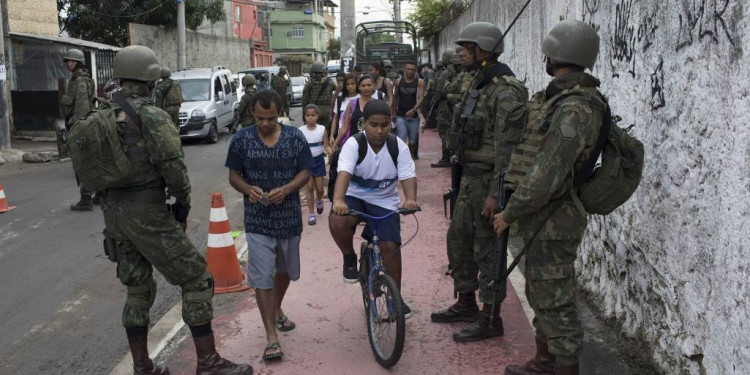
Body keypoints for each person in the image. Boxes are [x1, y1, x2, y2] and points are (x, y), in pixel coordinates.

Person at [97, 45, 252, 375]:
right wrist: (182, 207)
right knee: (197, 279)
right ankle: (208, 363)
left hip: (114, 215)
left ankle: (143, 368)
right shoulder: (152, 117)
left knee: (137, 288)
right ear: (151, 80)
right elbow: (175, 171)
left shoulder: (101, 117)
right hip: (149, 213)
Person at [494, 20, 604, 375]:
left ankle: (565, 368)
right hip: (545, 214)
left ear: (557, 57)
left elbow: (547, 174)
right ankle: (544, 363)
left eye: (548, 54)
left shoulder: (574, 108)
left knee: (556, 300)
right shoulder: (561, 99)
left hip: (554, 215)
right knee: (542, 292)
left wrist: (509, 213)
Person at [430, 22, 529, 343]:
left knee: (489, 250)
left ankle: (490, 318)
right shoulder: (477, 83)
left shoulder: (505, 90)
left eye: (466, 47)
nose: (460, 53)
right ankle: (466, 303)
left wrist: (497, 194)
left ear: (483, 50)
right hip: (469, 178)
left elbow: (509, 147)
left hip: (489, 182)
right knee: (458, 242)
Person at [225, 89, 313, 361]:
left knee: (285, 270)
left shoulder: (295, 138)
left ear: (280, 113)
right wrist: (248, 188)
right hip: (257, 220)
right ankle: (271, 336)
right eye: (260, 118)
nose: (265, 123)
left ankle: (276, 308)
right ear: (253, 114)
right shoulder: (241, 140)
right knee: (262, 276)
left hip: (288, 218)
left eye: (271, 118)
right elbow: (233, 176)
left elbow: (306, 171)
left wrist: (287, 189)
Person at [328, 99, 418, 317]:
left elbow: (407, 176)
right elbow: (344, 174)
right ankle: (349, 257)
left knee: (391, 247)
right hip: (355, 196)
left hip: (384, 200)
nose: (379, 130)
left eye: (385, 125)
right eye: (373, 125)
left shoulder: (398, 146)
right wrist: (338, 201)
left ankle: (394, 298)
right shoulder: (354, 144)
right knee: (338, 220)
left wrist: (411, 200)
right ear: (363, 124)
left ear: (391, 124)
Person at [62, 48, 97, 211]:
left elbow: (82, 109)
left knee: (81, 162)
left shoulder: (80, 81)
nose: (69, 63)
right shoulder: (76, 79)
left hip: (80, 126)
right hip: (83, 125)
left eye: (73, 61)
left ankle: (86, 199)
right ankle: (99, 195)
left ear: (80, 62)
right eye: (68, 61)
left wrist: (78, 130)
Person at [299, 104, 330, 225]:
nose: (310, 118)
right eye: (308, 115)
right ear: (304, 117)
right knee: (309, 188)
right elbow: (298, 147)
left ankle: (319, 200)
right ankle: (311, 214)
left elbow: (326, 145)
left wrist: (330, 151)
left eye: (313, 115)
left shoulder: (322, 129)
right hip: (306, 163)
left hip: (319, 161)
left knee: (320, 189)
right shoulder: (301, 130)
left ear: (317, 116)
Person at [334, 75, 383, 148]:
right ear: (359, 87)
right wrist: (335, 144)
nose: (366, 88)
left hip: (372, 145)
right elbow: (344, 127)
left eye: (369, 85)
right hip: (354, 145)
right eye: (363, 85)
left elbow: (382, 126)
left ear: (374, 86)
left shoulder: (378, 104)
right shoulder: (352, 104)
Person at [430, 50, 460, 168]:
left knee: (444, 132)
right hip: (454, 105)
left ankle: (446, 157)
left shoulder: (445, 73)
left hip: (444, 105)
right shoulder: (459, 72)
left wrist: (435, 103)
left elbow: (440, 91)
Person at [391, 61, 425, 160]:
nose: (410, 71)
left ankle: (410, 158)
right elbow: (395, 97)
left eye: (413, 70)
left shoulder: (420, 82)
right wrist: (393, 113)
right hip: (400, 115)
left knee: (413, 141)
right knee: (401, 139)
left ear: (415, 71)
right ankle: (402, 159)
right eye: (408, 69)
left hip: (413, 117)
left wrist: (414, 110)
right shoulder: (398, 81)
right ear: (404, 70)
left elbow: (421, 98)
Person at [302, 62, 336, 137]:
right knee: (326, 131)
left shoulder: (309, 83)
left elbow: (305, 100)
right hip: (327, 111)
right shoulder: (330, 82)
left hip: (313, 111)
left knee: (314, 131)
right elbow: (337, 92)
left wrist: (304, 114)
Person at [330, 73, 359, 146]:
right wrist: (331, 136)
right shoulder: (340, 99)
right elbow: (335, 118)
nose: (350, 86)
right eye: (348, 84)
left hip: (357, 136)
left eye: (353, 83)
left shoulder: (361, 98)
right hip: (341, 138)